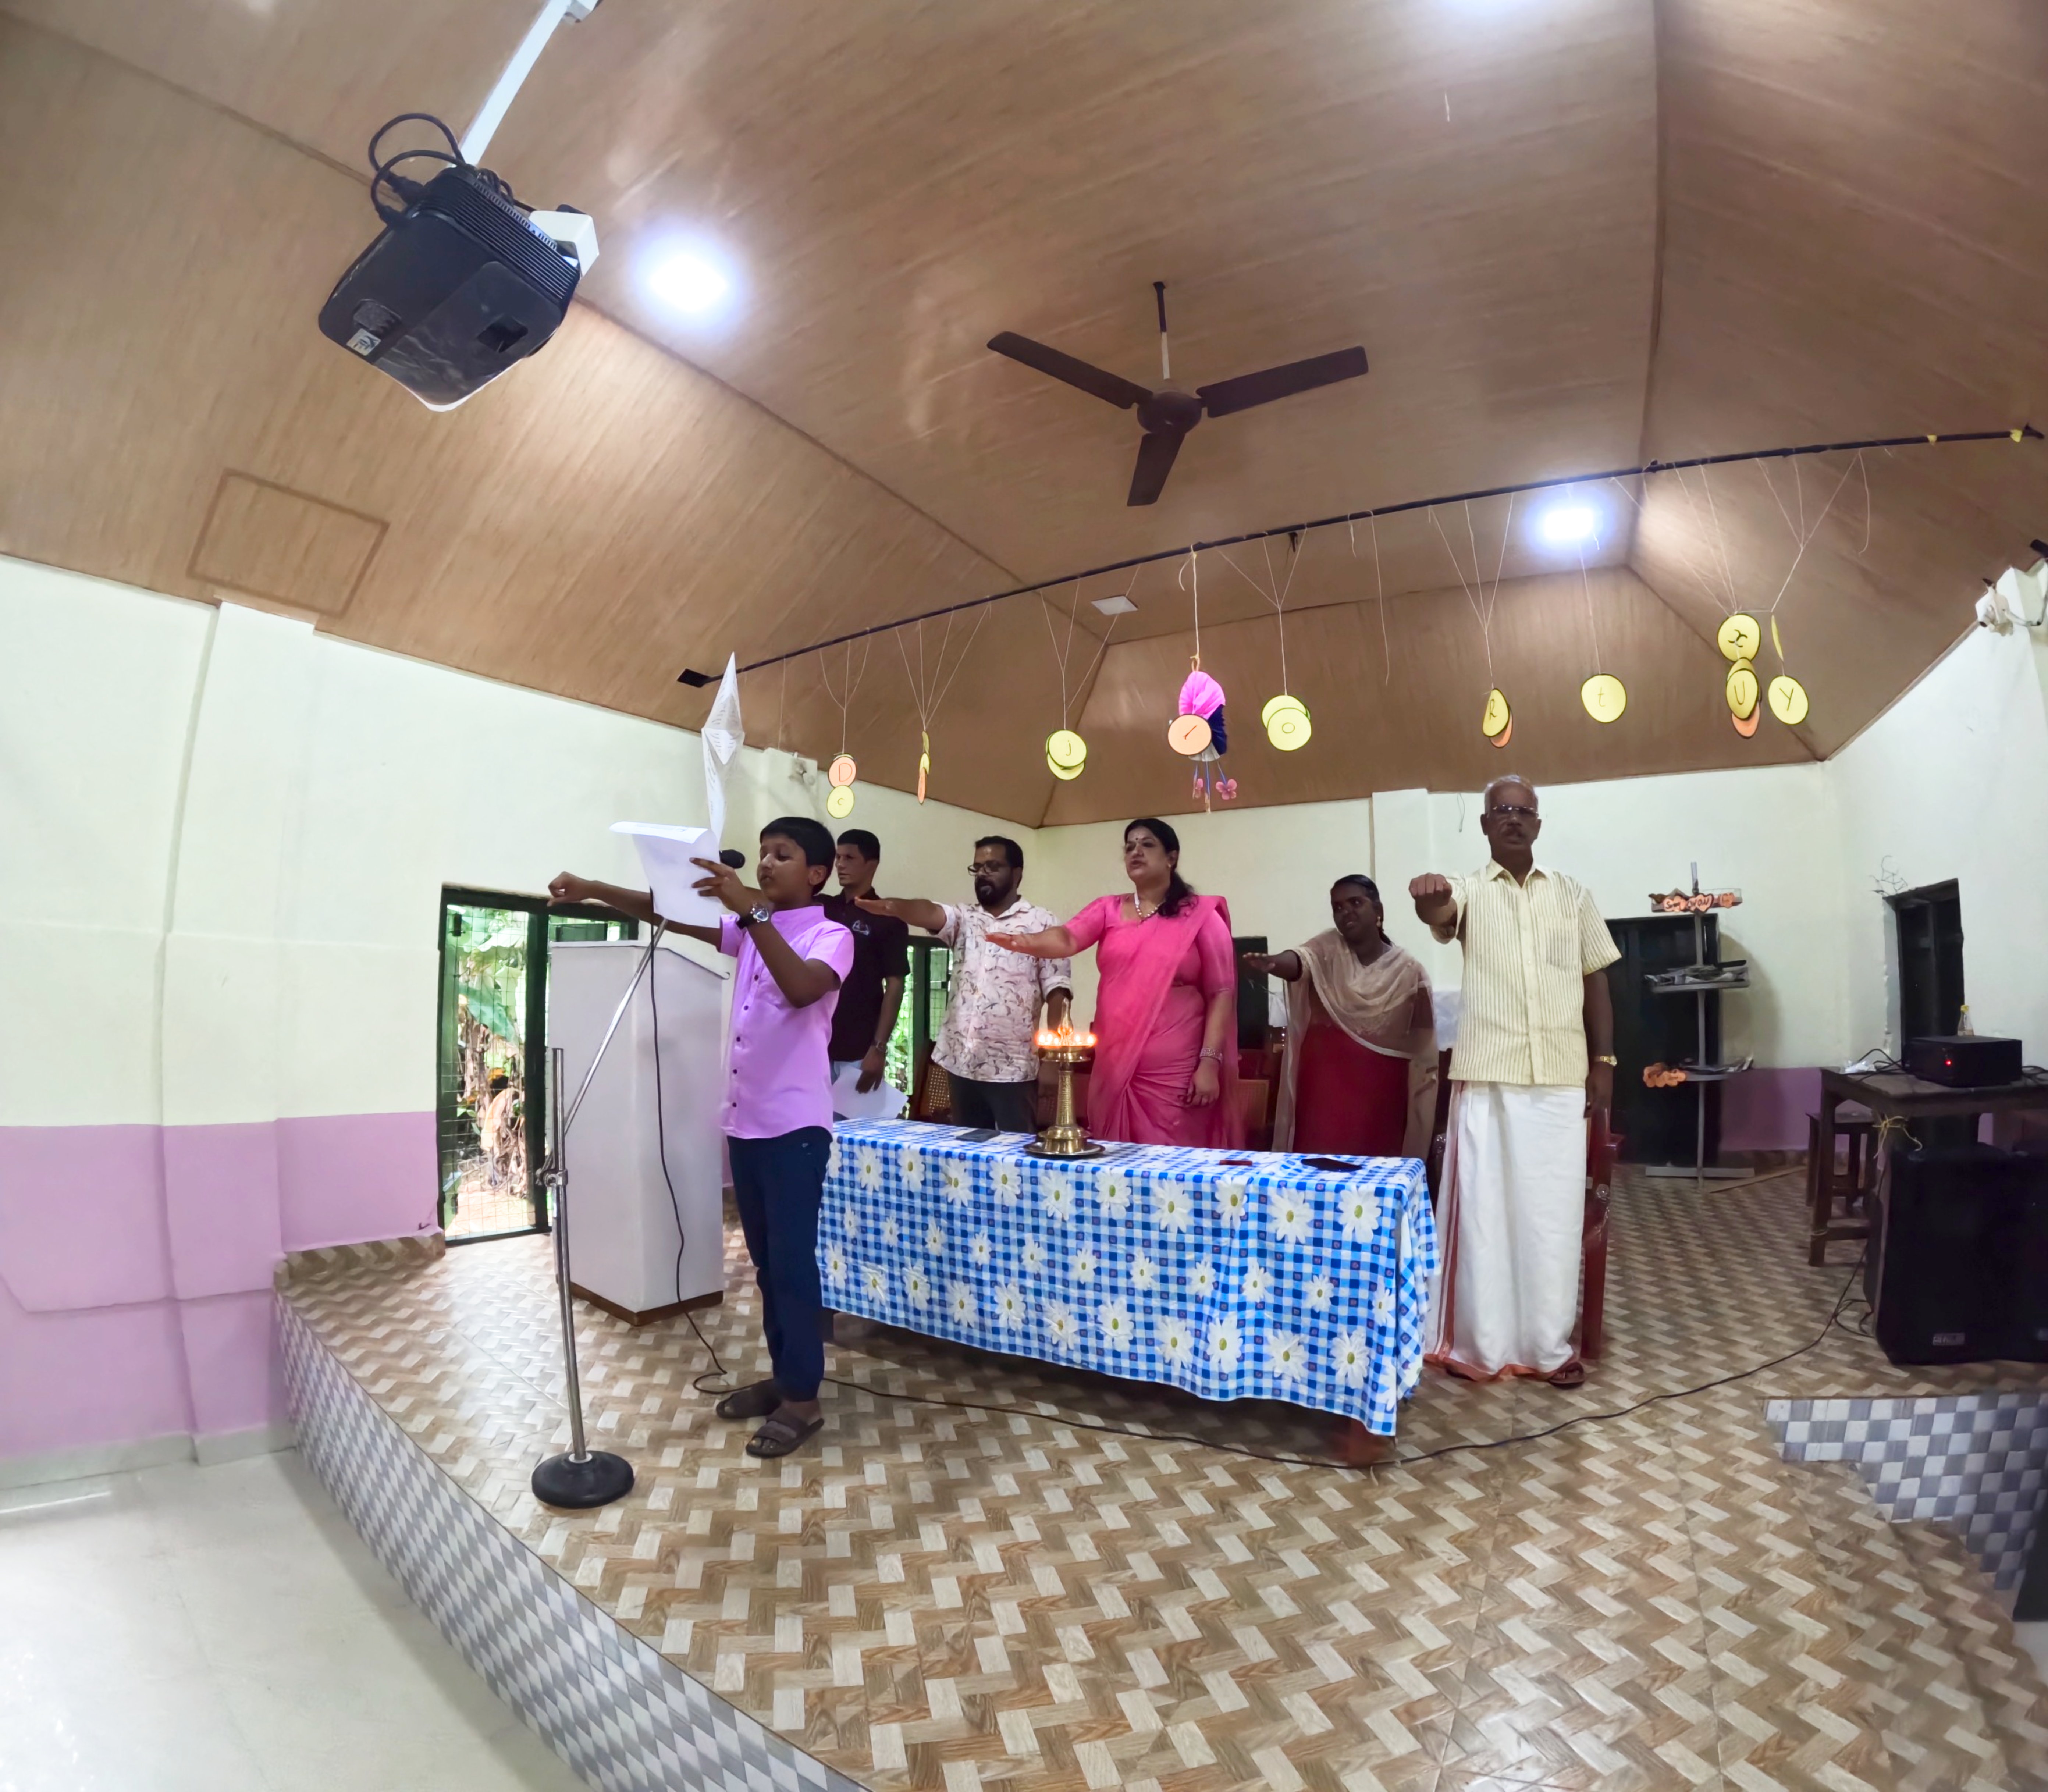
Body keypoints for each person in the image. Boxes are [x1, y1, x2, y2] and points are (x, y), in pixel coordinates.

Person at [548, 816, 853, 1458]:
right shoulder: (752, 930)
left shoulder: (831, 935)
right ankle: (786, 1378)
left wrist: (753, 913)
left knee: (793, 1268)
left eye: (783, 855)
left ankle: (803, 1400)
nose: (765, 864)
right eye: (763, 853)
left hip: (795, 1130)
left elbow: (802, 990)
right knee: (768, 1268)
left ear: (817, 874)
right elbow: (670, 911)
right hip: (746, 1125)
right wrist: (596, 888)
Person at [1409, 776, 1619, 1389]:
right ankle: (1479, 1343)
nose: (1512, 818)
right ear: (1484, 825)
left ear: (1538, 823)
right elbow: (1440, 915)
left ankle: (1547, 1347)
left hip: (1560, 1077)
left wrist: (1604, 1062)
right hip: (1488, 1077)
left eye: (1523, 811)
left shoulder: (1572, 894)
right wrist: (1428, 900)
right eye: (1500, 810)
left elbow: (1596, 978)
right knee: (1484, 1217)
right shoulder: (1469, 889)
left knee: (1552, 1219)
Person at [989, 818, 1242, 1149]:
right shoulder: (1108, 909)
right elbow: (1068, 938)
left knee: (1170, 1165)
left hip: (1176, 1073)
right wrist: (1023, 941)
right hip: (1115, 1063)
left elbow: (1221, 993)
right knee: (1114, 1158)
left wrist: (1209, 1062)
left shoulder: (1201, 916)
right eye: (1130, 846)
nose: (1136, 851)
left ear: (1172, 857)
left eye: (1147, 844)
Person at [855, 837, 1071, 1133]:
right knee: (967, 1150)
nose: (983, 874)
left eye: (993, 867)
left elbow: (1059, 994)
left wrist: (1054, 1060)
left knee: (1015, 1152)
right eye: (978, 868)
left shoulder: (1043, 923)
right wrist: (894, 906)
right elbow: (929, 911)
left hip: (1013, 1069)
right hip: (961, 1063)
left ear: (1017, 874)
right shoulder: (964, 918)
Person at [1245, 875, 1438, 1158]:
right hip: (1324, 1089)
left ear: (1378, 910)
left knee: (1373, 1169)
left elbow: (1423, 1046)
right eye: (1338, 907)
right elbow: (1300, 961)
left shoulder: (1409, 971)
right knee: (1317, 1166)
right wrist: (1274, 962)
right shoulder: (1327, 950)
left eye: (1356, 903)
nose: (1346, 911)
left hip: (1380, 1094)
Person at [823, 829, 908, 1105]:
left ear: (872, 865)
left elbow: (895, 985)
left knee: (852, 1127)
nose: (840, 865)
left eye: (849, 858)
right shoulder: (822, 908)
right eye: (838, 857)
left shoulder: (888, 920)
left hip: (859, 1047)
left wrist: (879, 1048)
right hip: (815, 1042)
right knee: (813, 1125)